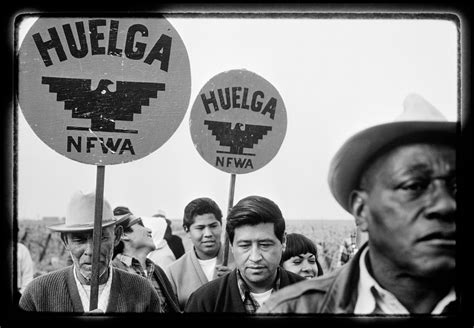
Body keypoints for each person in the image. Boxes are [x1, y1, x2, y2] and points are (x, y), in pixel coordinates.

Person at [259, 94, 456, 314]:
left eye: (457, 188)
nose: (446, 205)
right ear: (361, 210)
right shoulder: (292, 310)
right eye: (414, 186)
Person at [19, 191, 162, 313]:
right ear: (65, 241)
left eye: (101, 238)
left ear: (117, 236)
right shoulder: (37, 294)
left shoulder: (143, 292)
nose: (91, 251)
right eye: (79, 240)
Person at [184, 195, 305, 313]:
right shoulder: (204, 302)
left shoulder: (312, 296)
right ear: (231, 245)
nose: (255, 257)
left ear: (283, 241)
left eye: (265, 245)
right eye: (245, 245)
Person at [166, 197, 234, 310]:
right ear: (187, 230)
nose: (208, 234)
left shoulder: (241, 262)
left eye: (213, 226)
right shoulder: (174, 272)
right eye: (200, 228)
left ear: (221, 225)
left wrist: (237, 284)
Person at [112, 206, 181, 312]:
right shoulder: (112, 273)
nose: (149, 229)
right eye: (140, 224)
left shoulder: (158, 271)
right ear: (123, 234)